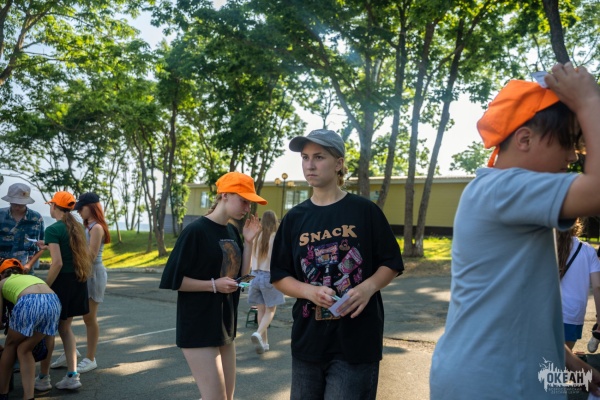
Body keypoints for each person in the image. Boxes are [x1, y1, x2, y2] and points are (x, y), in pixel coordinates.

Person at [430, 63, 600, 398]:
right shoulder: (503, 189)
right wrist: (588, 101)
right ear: (525, 139)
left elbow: (521, 313)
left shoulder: (501, 193)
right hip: (494, 383)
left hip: (501, 376)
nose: (572, 157)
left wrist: (572, 365)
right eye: (567, 143)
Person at [270, 129, 404, 400]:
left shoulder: (365, 211)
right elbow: (280, 275)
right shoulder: (295, 218)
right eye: (305, 157)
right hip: (308, 342)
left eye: (319, 157)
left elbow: (391, 262)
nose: (310, 164)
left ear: (339, 163)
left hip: (356, 342)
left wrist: (367, 288)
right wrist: (309, 291)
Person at [159, 171, 264, 400]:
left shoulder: (232, 231)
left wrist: (248, 242)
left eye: (250, 203)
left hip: (224, 324)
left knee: (227, 397)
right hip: (199, 325)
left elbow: (241, 276)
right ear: (225, 195)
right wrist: (213, 285)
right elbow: (173, 280)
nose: (248, 208)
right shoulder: (195, 231)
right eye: (244, 201)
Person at [35, 191, 92, 392]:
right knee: (65, 329)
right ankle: (72, 375)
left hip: (62, 283)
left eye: (51, 205)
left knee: (48, 330)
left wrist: (45, 286)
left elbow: (57, 263)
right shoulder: (76, 227)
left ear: (54, 206)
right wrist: (48, 246)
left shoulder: (53, 229)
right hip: (77, 281)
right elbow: (67, 252)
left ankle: (43, 378)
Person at [49, 193, 110, 374]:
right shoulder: (85, 226)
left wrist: (70, 253)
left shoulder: (97, 228)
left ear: (92, 207)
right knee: (66, 319)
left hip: (93, 274)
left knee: (89, 318)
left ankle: (90, 358)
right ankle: (70, 352)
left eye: (81, 208)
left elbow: (90, 256)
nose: (79, 212)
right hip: (81, 273)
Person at [0, 257, 61, 400]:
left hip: (29, 301)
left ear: (1, 274)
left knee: (10, 345)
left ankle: (2, 393)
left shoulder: (2, 283)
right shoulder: (32, 278)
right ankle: (28, 397)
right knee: (24, 349)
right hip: (53, 301)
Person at [556, 219, 600, 351]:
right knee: (563, 358)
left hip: (547, 313)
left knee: (544, 359)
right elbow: (597, 287)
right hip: (573, 314)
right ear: (577, 225)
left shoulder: (547, 247)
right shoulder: (588, 251)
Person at [247, 210, 285, 354]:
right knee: (270, 310)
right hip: (268, 276)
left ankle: (264, 343)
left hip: (254, 276)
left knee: (261, 311)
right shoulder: (275, 237)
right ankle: (258, 333)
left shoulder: (257, 236)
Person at [0, 183, 45, 274]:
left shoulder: (36, 218)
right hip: (2, 268)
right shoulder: (1, 215)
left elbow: (42, 246)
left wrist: (29, 265)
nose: (17, 207)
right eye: (14, 203)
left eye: (21, 204)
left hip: (25, 268)